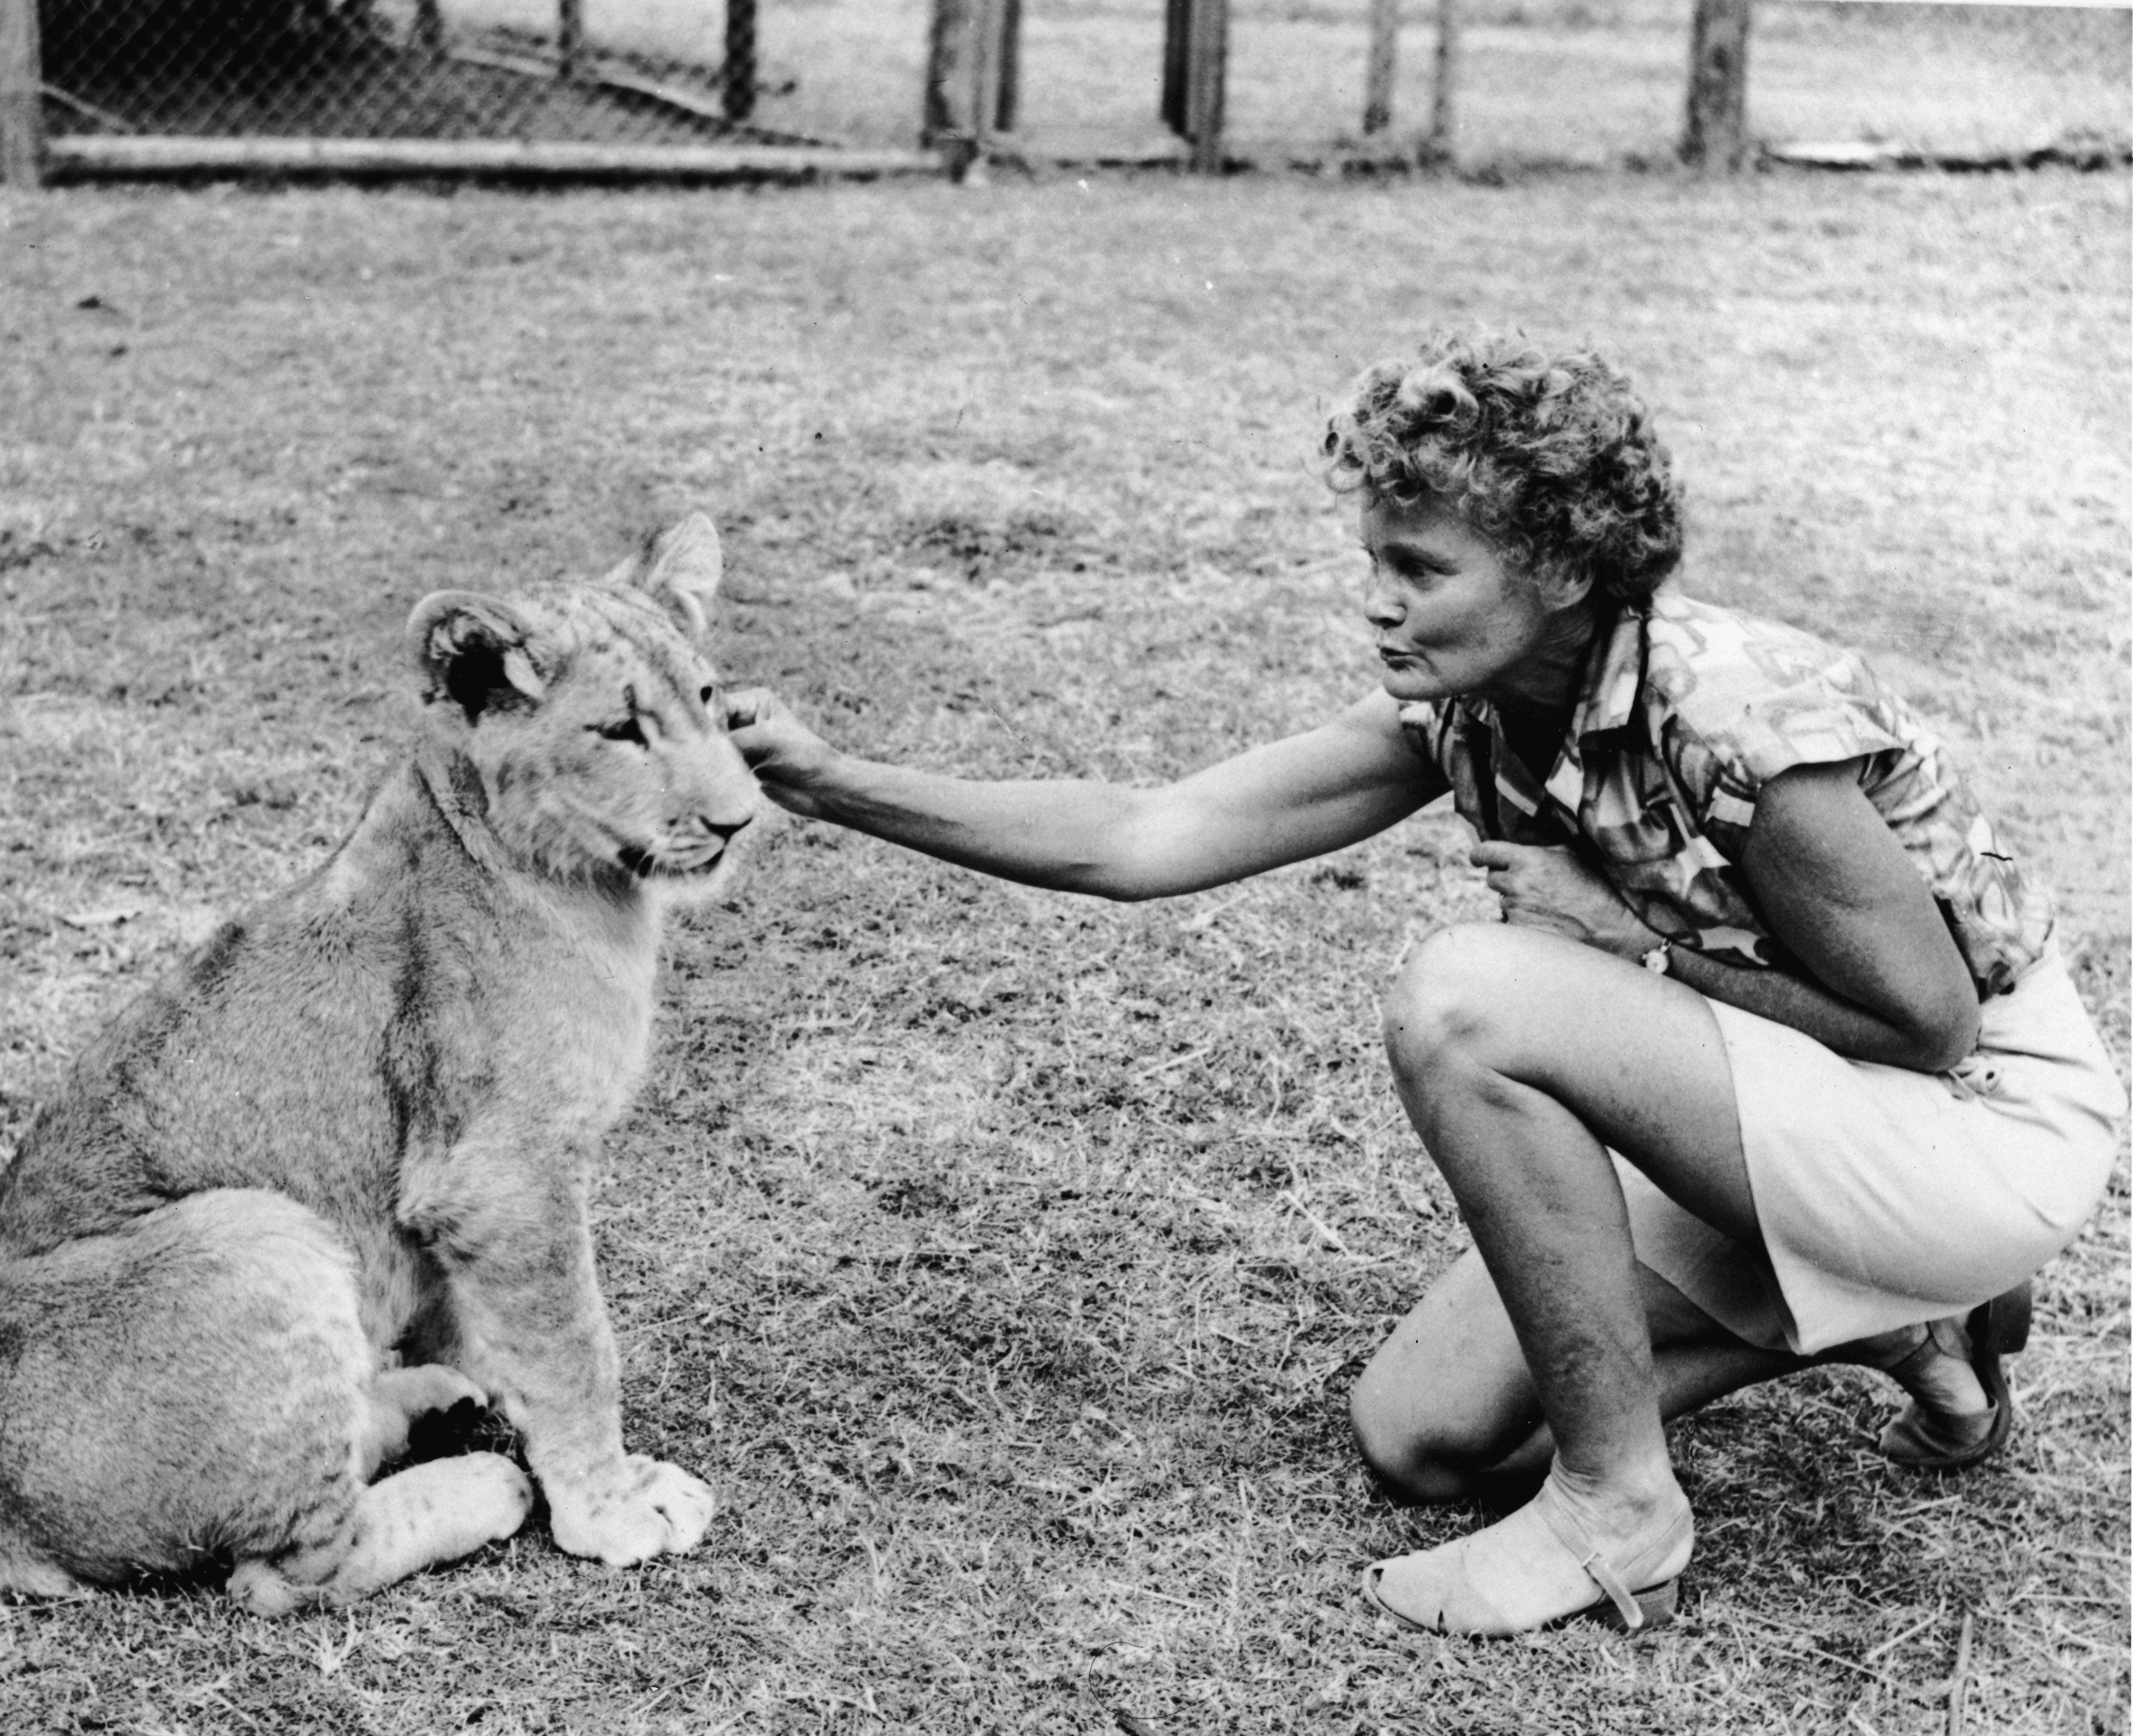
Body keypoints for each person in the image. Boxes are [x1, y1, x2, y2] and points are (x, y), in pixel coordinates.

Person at [723, 331, 2124, 1638]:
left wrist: (1629, 946)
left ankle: (1619, 1508)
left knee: (1471, 994)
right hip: (1808, 1120)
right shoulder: (1469, 708)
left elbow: (1927, 1021)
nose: (1376, 598)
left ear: (1562, 570)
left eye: (1420, 566)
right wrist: (833, 782)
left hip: (1981, 1124)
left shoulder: (1737, 710)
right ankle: (1903, 1321)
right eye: (1375, 558)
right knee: (1426, 1437)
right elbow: (1146, 834)